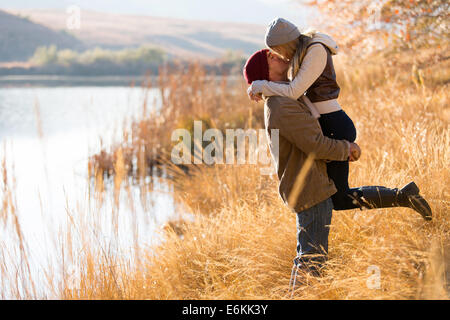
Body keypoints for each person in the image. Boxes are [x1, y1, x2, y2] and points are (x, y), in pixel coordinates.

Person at [242, 46, 432, 291]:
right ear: (264, 71)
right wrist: (347, 148)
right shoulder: (280, 105)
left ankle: (404, 195)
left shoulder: (287, 96)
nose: (274, 53)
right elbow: (315, 145)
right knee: (312, 260)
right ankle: (404, 195)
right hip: (309, 189)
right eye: (267, 56)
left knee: (314, 250)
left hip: (314, 182)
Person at [246, 18, 432, 220]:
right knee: (338, 198)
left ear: (285, 43)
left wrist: (261, 86)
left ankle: (404, 196)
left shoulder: (315, 50)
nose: (278, 55)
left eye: (277, 50)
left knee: (340, 197)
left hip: (334, 124)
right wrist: (261, 85)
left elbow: (294, 90)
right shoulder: (300, 55)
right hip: (327, 123)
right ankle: (404, 196)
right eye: (272, 55)